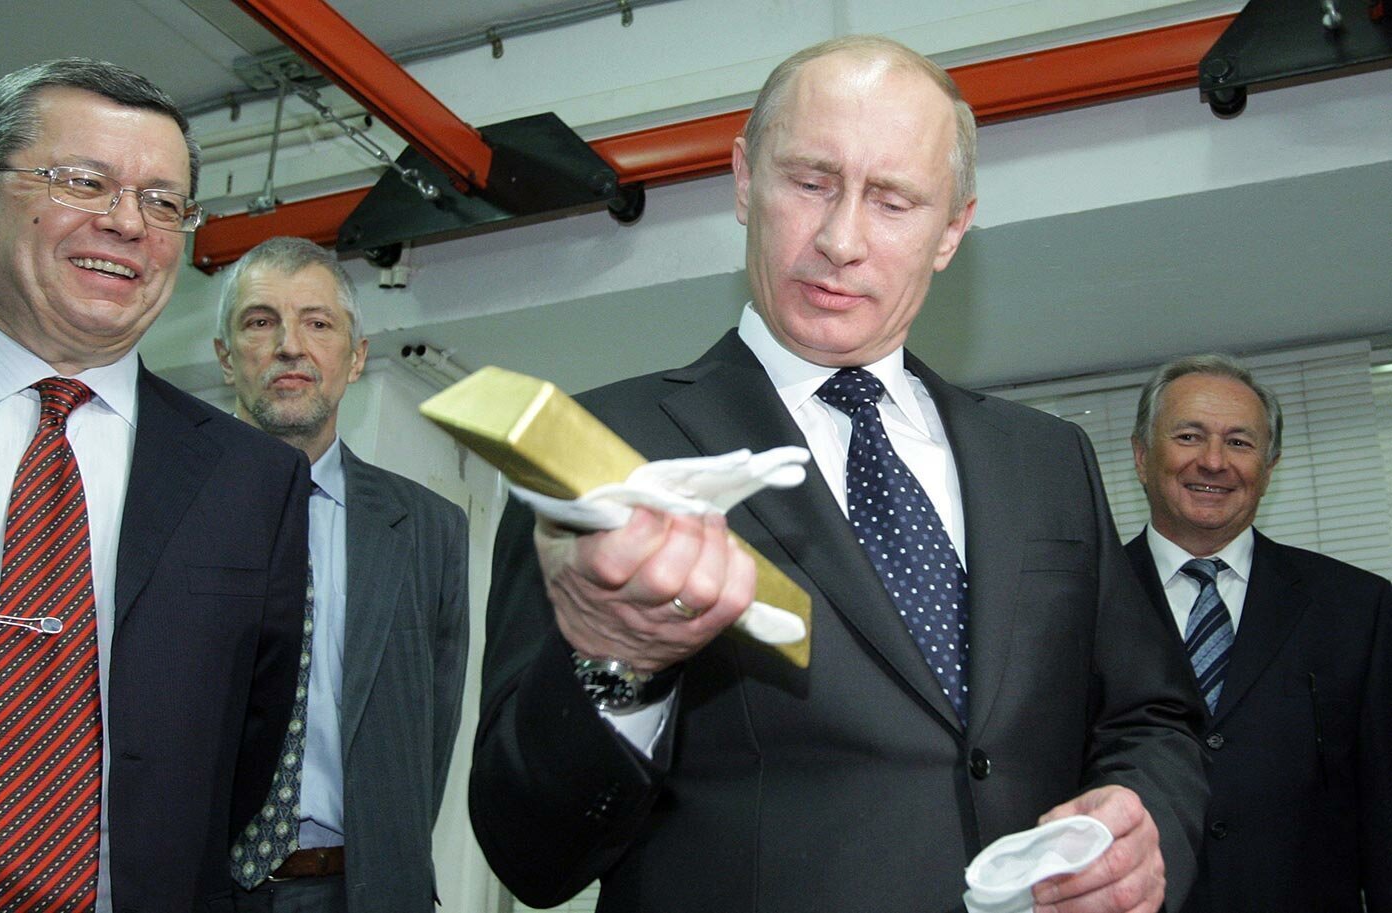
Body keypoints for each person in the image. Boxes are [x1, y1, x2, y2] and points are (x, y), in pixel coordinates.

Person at [471, 35, 1209, 913]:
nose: (841, 239)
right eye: (811, 182)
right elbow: (529, 849)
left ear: (952, 229)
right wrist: (614, 660)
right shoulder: (600, 451)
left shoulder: (1046, 458)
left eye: (893, 201)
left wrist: (1146, 827)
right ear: (744, 180)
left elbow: (1150, 718)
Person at [0, 60, 308, 912]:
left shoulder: (254, 481)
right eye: (83, 182)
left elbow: (243, 756)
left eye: (164, 202)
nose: (129, 222)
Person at [212, 236, 469, 912]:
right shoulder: (164, 509)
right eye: (261, 321)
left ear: (355, 357)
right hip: (196, 888)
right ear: (226, 356)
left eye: (318, 323)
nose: (290, 346)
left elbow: (432, 736)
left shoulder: (429, 530)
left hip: (365, 890)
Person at [1124, 354, 1391, 913]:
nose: (1213, 461)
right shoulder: (1079, 604)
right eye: (1189, 436)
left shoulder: (1358, 608)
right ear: (1143, 456)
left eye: (1240, 443)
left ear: (1268, 469)